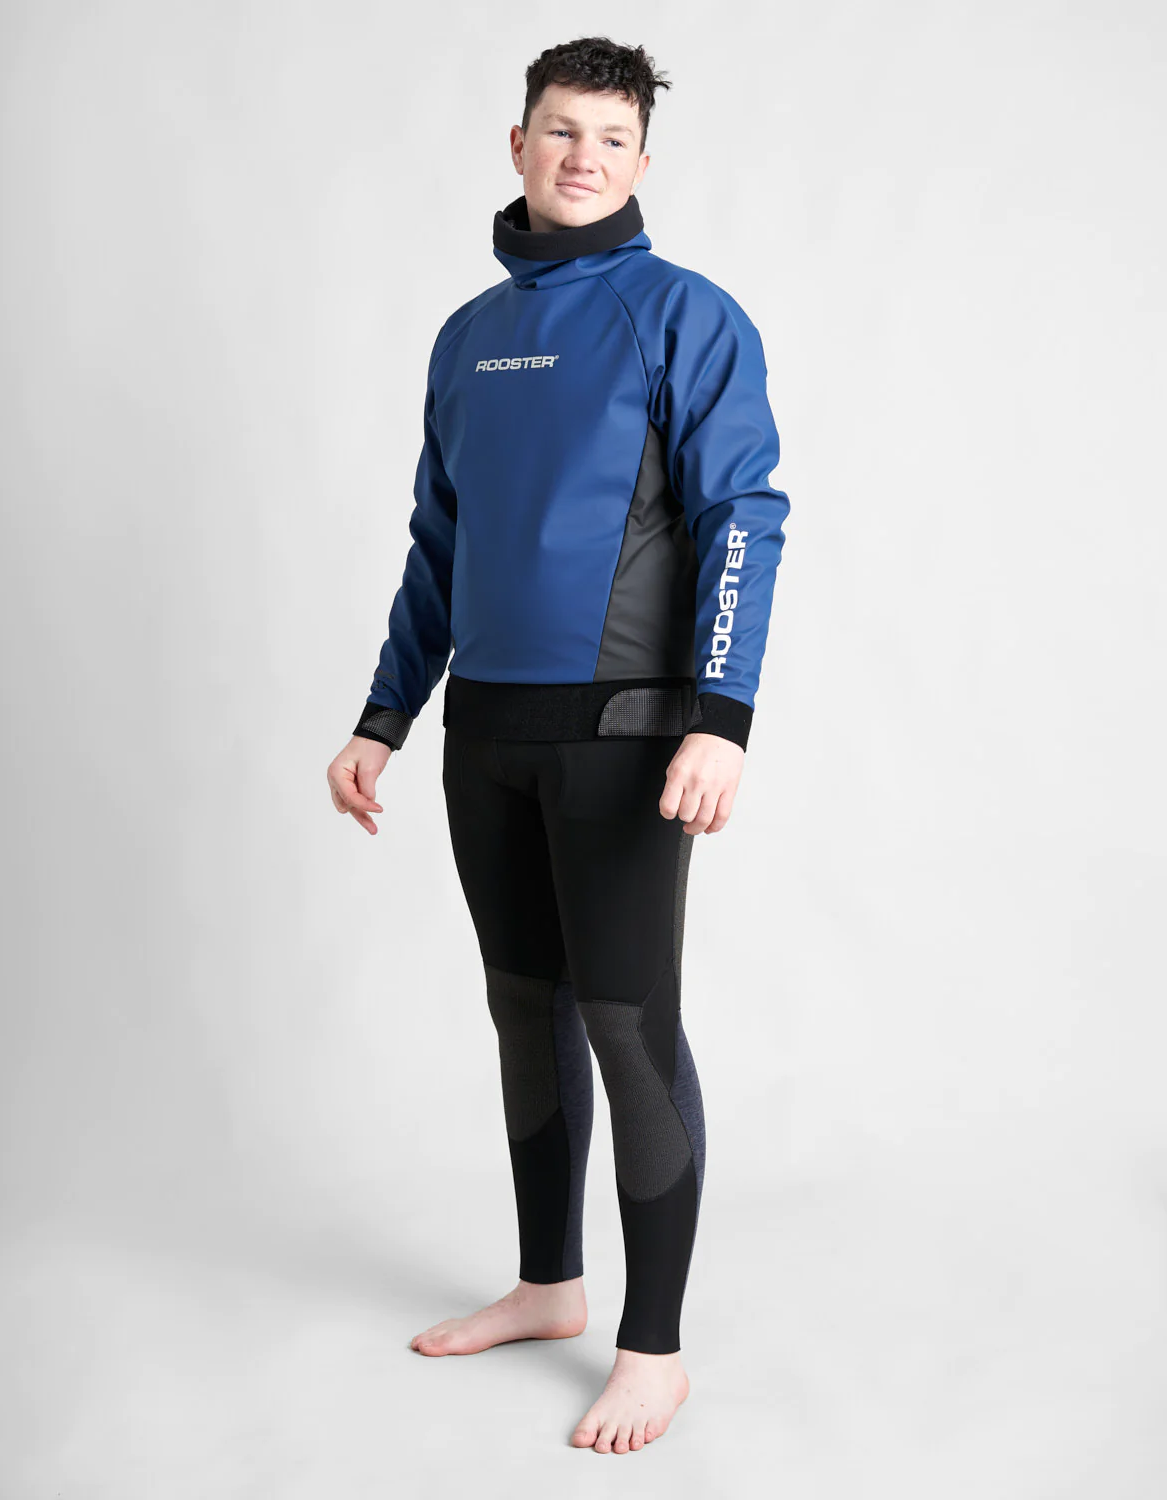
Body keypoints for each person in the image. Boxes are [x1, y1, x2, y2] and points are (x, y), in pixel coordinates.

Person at [326, 36, 790, 1456]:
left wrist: (720, 720)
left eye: (611, 136)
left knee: (627, 1027)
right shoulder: (466, 337)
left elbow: (743, 520)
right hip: (487, 736)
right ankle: (548, 1286)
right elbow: (439, 545)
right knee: (524, 1012)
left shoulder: (684, 315)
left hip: (628, 739)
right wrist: (384, 716)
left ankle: (654, 1350)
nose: (583, 156)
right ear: (517, 143)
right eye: (561, 130)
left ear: (643, 159)